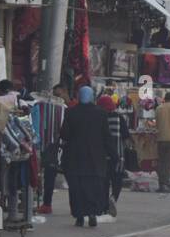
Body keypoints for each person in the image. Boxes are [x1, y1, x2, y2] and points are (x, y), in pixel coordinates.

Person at [59, 85, 113, 227]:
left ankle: (79, 216)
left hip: (74, 158)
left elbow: (64, 134)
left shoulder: (71, 113)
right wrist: (113, 154)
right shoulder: (101, 114)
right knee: (94, 187)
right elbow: (106, 136)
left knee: (76, 188)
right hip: (95, 159)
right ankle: (92, 213)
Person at [36, 84, 68, 215]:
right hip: (52, 146)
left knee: (72, 177)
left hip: (67, 148)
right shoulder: (47, 108)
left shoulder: (70, 107)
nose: (56, 98)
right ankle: (47, 204)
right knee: (49, 175)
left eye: (58, 95)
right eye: (54, 95)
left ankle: (77, 206)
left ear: (65, 92)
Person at [98, 94, 131, 216]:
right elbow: (126, 138)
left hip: (102, 155)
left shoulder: (99, 117)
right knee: (117, 179)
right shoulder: (119, 118)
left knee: (104, 181)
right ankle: (113, 198)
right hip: (118, 155)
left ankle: (104, 206)